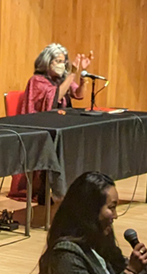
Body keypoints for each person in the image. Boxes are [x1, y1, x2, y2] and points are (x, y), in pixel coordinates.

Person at [10, 43, 94, 202]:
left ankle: (67, 186)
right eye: (57, 61)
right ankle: (47, 188)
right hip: (40, 128)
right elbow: (53, 98)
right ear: (46, 62)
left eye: (64, 61)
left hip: (60, 125)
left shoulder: (61, 79)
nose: (61, 65)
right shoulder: (37, 80)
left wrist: (82, 77)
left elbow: (78, 94)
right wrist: (72, 74)